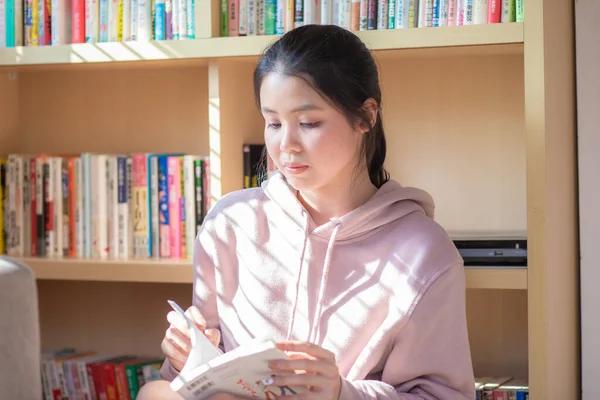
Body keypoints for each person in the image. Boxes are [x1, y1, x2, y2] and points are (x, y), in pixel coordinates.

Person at [137, 23, 475, 400]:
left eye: (308, 123)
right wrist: (189, 357)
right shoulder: (229, 224)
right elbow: (193, 384)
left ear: (366, 116)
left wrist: (342, 393)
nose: (286, 145)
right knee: (156, 392)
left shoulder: (422, 252)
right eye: (273, 123)